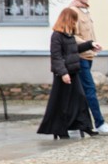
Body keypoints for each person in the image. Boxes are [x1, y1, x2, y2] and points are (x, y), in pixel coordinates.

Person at [37, 8, 102, 139]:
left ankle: (84, 125)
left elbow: (74, 50)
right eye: (73, 21)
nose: (75, 24)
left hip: (73, 72)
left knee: (80, 98)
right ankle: (60, 129)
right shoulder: (56, 36)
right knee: (62, 103)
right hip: (63, 74)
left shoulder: (69, 36)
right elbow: (56, 57)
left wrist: (90, 45)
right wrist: (63, 73)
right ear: (68, 20)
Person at [68, 0, 108, 134]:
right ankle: (99, 123)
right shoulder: (73, 12)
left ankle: (76, 124)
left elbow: (89, 33)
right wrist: (88, 44)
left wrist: (93, 45)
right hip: (80, 56)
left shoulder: (85, 12)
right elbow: (72, 35)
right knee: (89, 90)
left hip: (88, 55)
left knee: (80, 92)